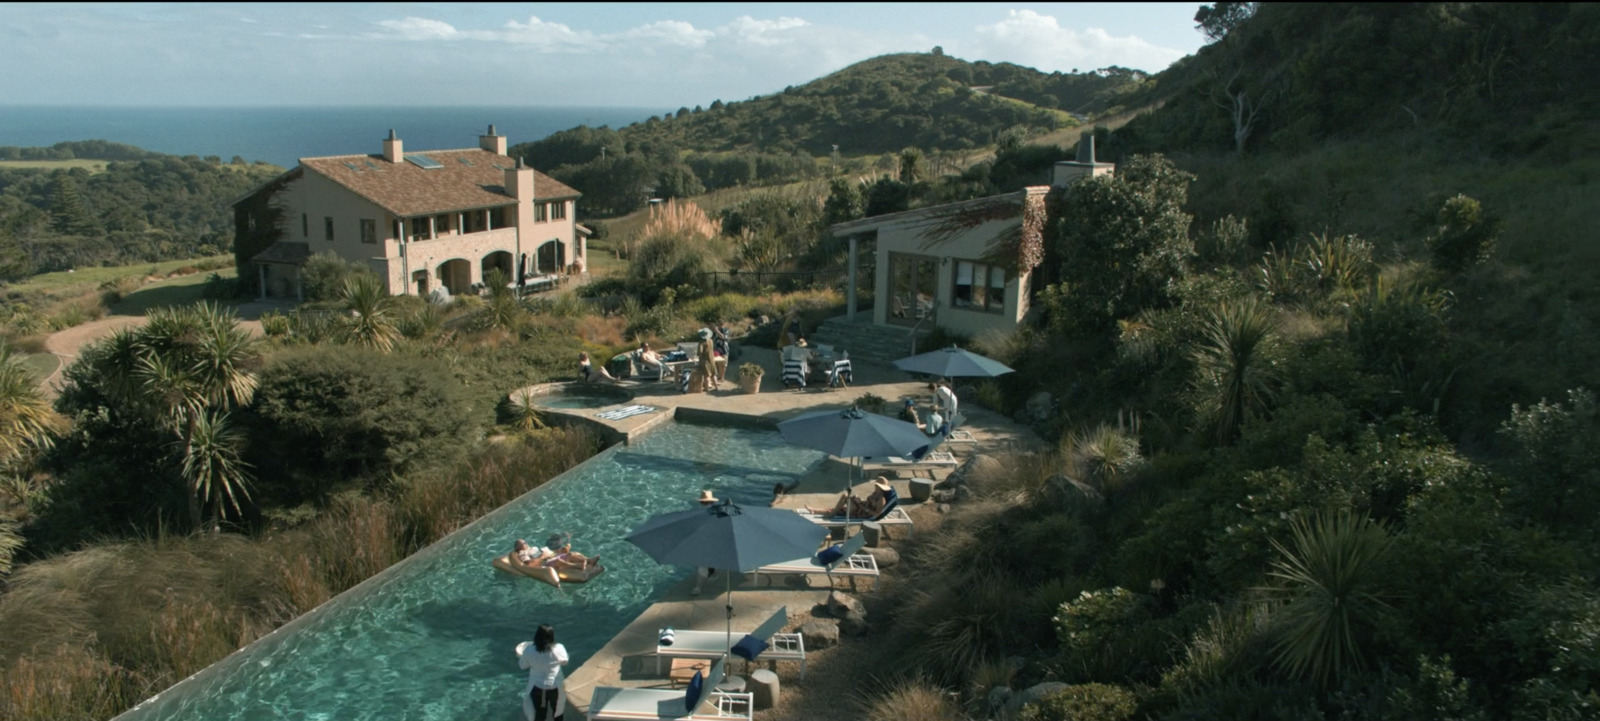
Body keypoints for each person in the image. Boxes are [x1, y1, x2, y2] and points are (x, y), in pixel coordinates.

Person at [518, 624, 568, 721]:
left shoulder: (529, 650)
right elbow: (565, 661)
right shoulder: (559, 648)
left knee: (540, 714)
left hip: (537, 687)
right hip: (555, 686)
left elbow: (522, 666)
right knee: (557, 713)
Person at [809, 478, 891, 519]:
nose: (875, 486)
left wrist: (864, 508)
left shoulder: (881, 499)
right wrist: (860, 501)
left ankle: (832, 514)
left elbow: (877, 514)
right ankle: (814, 510)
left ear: (880, 487)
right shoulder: (875, 493)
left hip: (862, 513)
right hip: (861, 507)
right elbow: (868, 502)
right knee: (840, 508)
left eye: (876, 485)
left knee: (845, 496)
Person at [692, 490, 719, 595]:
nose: (705, 504)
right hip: (715, 541)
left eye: (705, 503)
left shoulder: (697, 513)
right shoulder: (717, 512)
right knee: (713, 562)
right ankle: (714, 576)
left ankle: (698, 587)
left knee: (702, 565)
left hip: (705, 542)